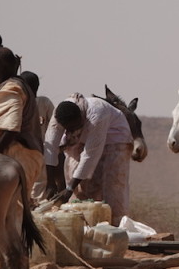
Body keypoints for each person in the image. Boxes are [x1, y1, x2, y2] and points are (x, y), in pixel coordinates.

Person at [43, 94, 134, 224]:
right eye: (69, 128)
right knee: (79, 187)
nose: (72, 130)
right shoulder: (59, 115)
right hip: (82, 139)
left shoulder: (97, 114)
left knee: (112, 185)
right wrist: (50, 183)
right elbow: (50, 146)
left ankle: (115, 226)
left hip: (115, 138)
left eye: (75, 126)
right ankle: (82, 226)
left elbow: (90, 155)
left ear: (81, 118)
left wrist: (69, 189)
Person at [0, 47, 44, 193]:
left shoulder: (11, 89)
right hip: (22, 158)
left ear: (3, 68)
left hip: (16, 157)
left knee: (12, 210)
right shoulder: (18, 85)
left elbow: (10, 129)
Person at [21, 72, 54, 200]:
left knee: (38, 184)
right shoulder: (19, 103)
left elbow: (55, 124)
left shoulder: (44, 102)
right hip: (24, 151)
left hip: (40, 151)